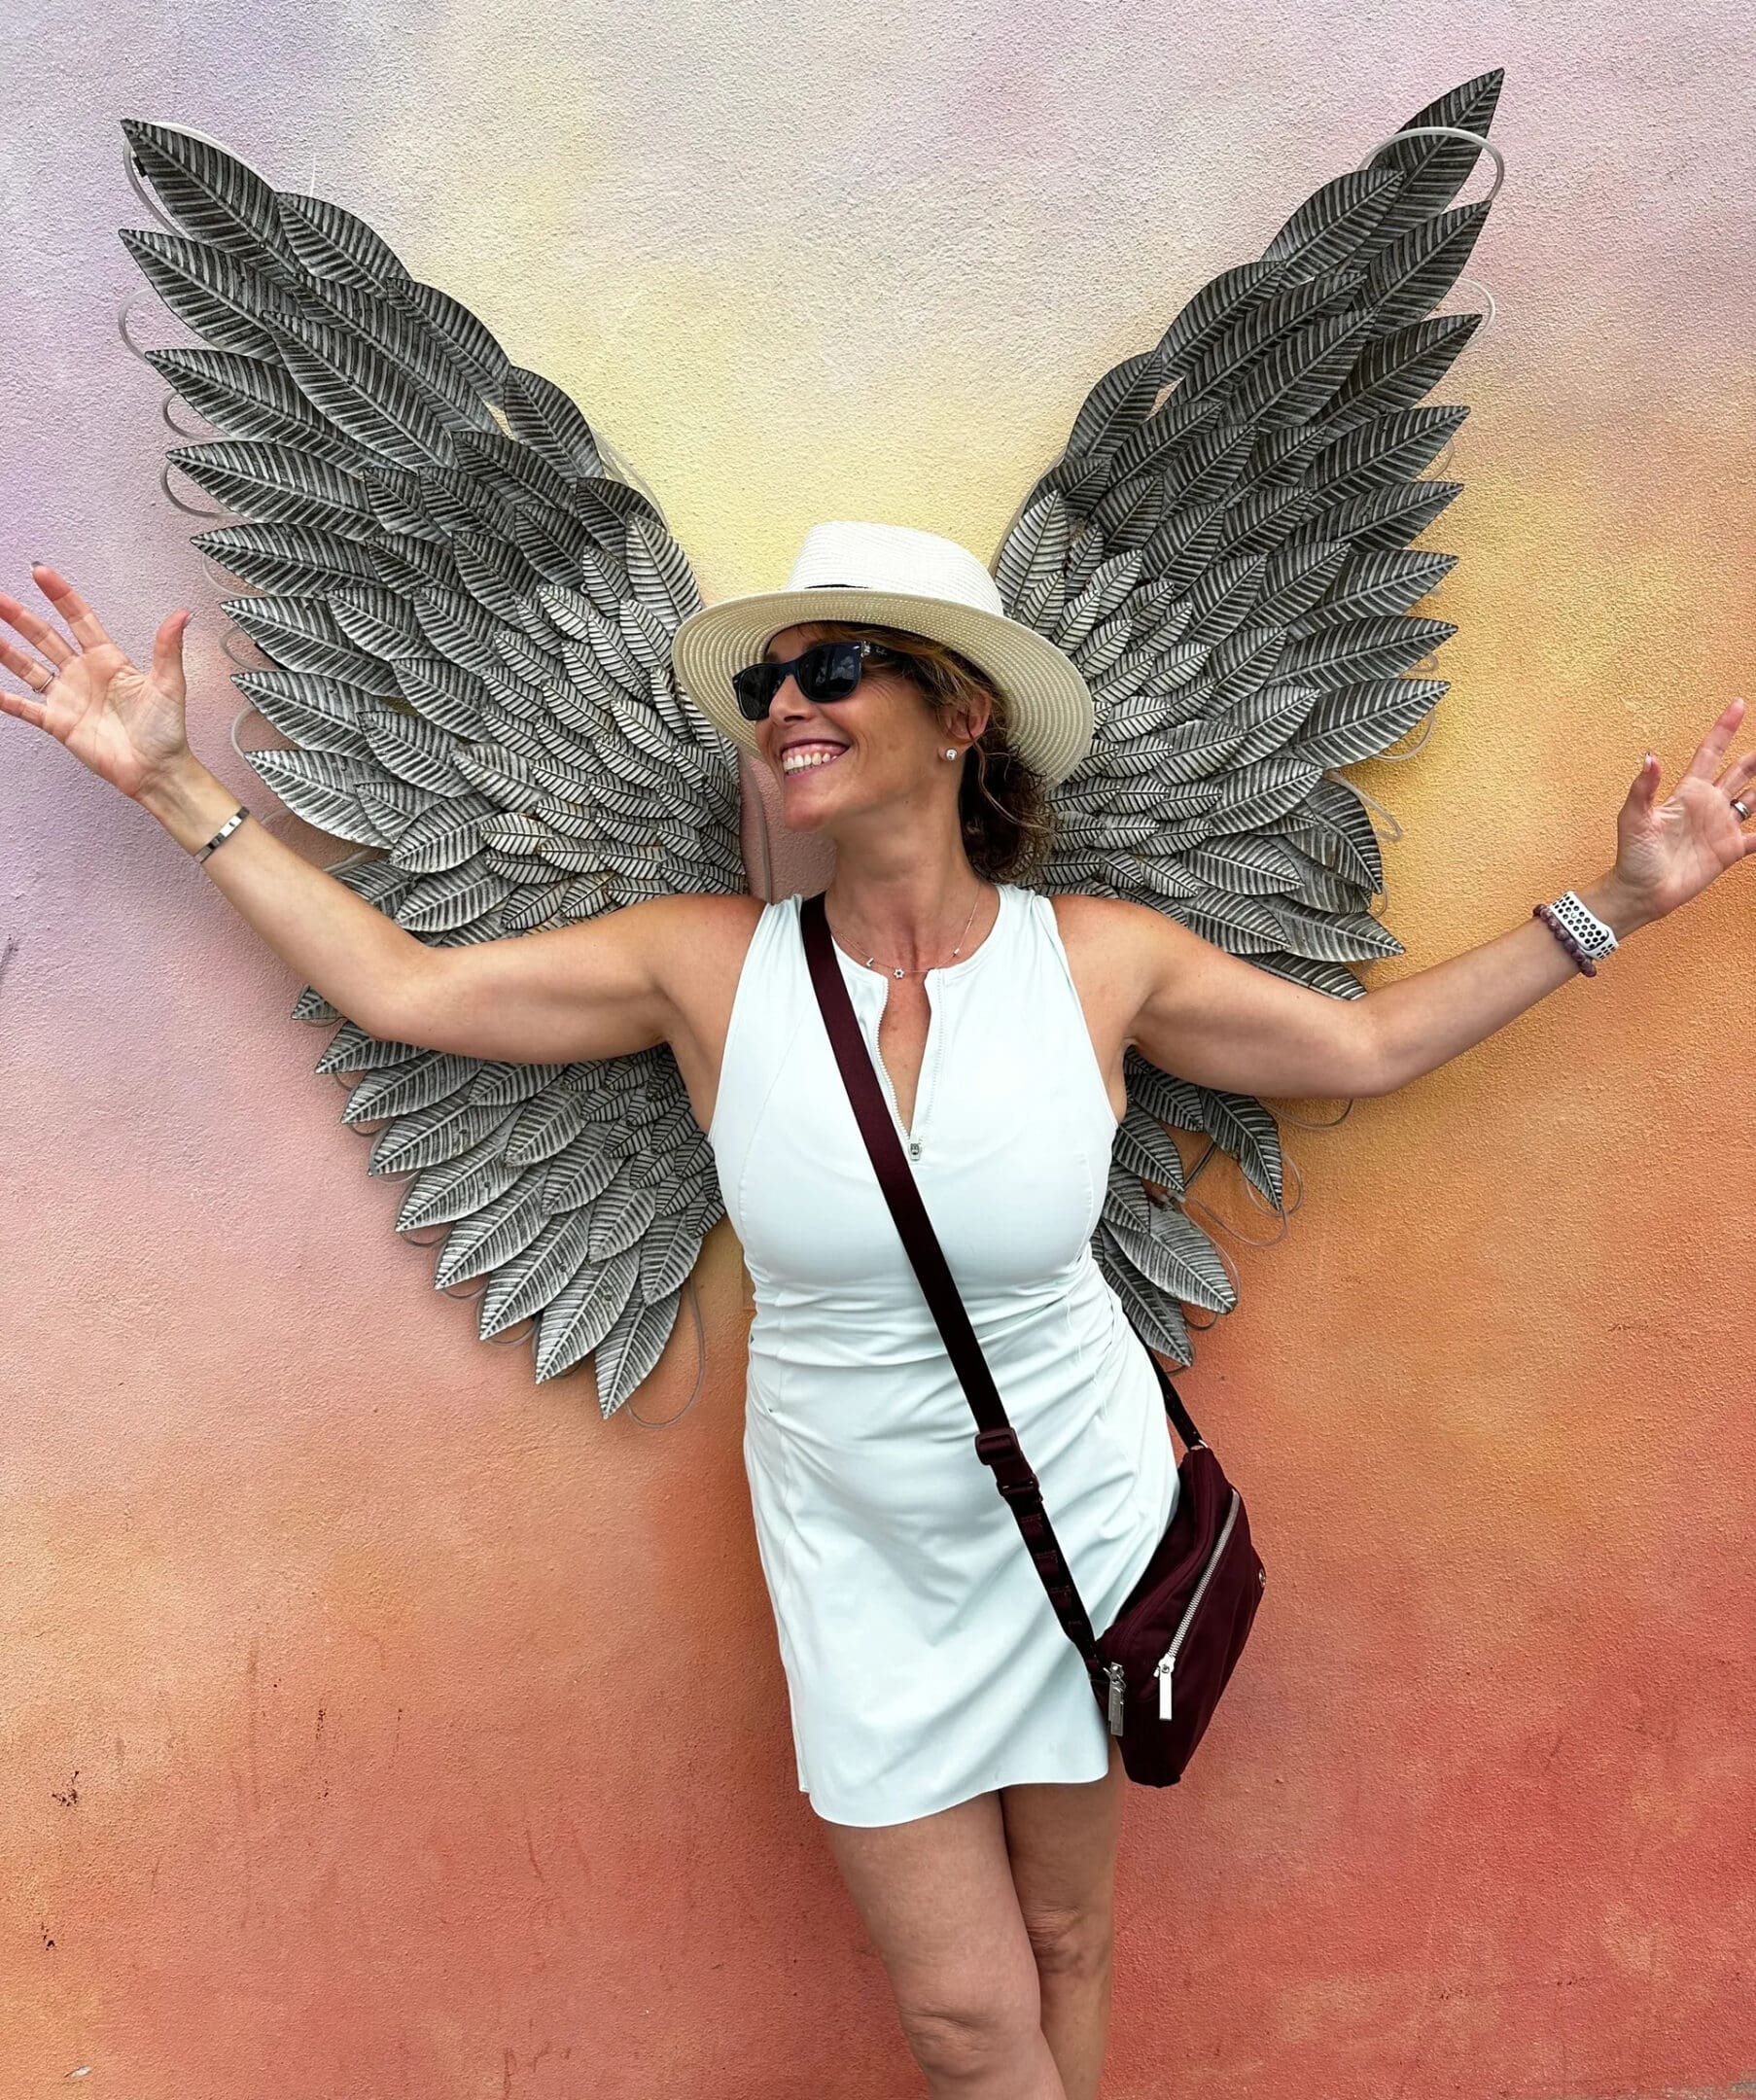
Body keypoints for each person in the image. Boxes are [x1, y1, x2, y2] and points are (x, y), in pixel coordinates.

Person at [3, 544, 1750, 2100]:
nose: (781, 705)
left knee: (1068, 1952)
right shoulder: (704, 966)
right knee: (966, 2027)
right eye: (767, 684)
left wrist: (1615, 908)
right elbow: (404, 988)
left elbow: (1356, 1050)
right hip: (852, 1557)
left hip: (1078, 1511)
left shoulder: (1101, 964)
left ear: (959, 712)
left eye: (827, 668)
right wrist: (174, 789)